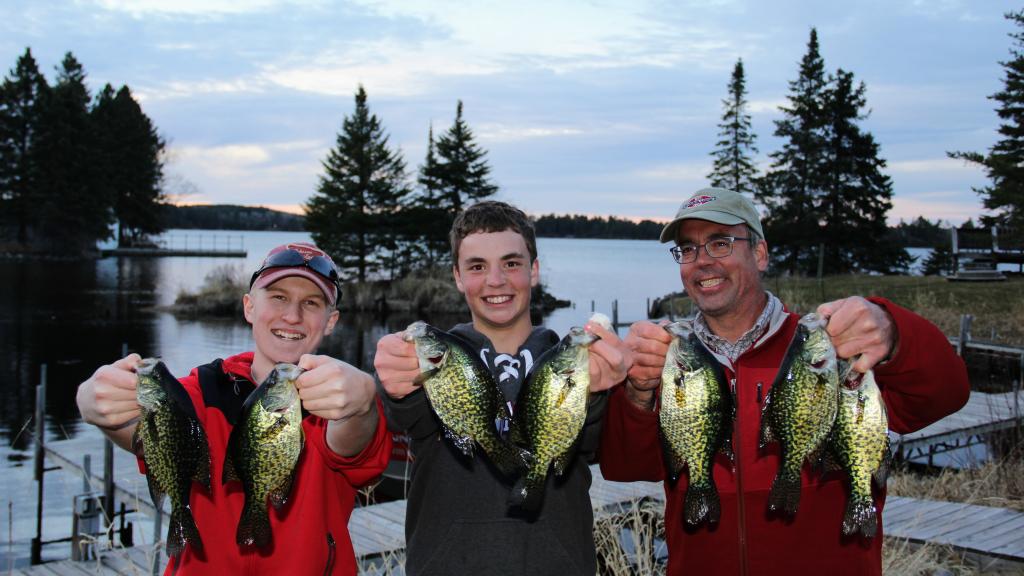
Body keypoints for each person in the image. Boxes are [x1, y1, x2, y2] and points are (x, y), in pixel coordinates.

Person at [599, 187, 970, 576]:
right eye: (688, 249)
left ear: (760, 254)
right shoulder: (667, 358)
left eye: (720, 243)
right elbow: (625, 466)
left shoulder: (831, 351)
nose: (702, 262)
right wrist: (637, 392)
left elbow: (948, 392)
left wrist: (893, 333)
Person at [76, 241, 391, 575]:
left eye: (311, 303)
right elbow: (152, 436)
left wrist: (362, 404)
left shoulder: (339, 399)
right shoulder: (202, 389)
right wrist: (97, 406)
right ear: (249, 307)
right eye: (278, 297)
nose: (292, 315)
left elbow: (354, 443)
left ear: (331, 321)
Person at [374, 200, 631, 575]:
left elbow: (589, 445)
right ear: (458, 277)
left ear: (534, 271)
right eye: (477, 267)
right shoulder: (434, 360)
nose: (496, 280)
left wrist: (602, 393)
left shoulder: (573, 362)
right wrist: (392, 385)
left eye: (511, 263)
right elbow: (407, 415)